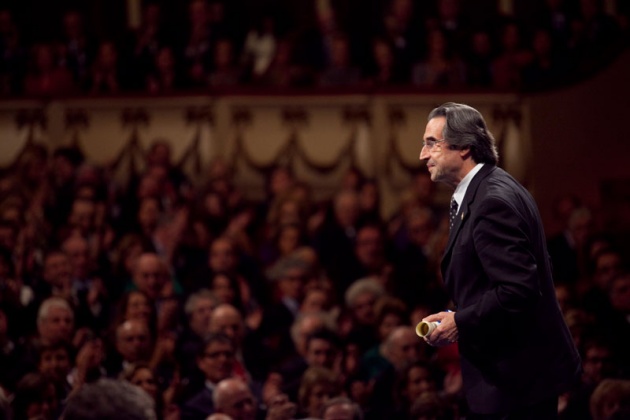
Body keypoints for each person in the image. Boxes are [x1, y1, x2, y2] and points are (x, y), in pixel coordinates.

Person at [418, 102, 581, 418]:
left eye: (431, 143)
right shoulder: (490, 187)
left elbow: (518, 289)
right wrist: (456, 315)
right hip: (516, 377)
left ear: (464, 146)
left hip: (515, 382)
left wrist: (459, 322)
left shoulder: (492, 201)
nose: (423, 155)